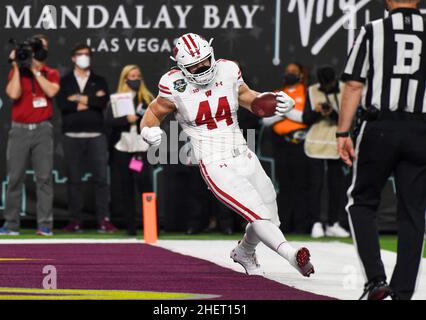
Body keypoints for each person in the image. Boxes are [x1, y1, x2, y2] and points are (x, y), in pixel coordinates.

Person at [140, 33, 314, 277]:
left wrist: (275, 102)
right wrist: (147, 130)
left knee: (269, 214)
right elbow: (154, 111)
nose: (201, 68)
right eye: (194, 65)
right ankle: (292, 255)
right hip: (213, 160)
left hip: (242, 152)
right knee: (256, 211)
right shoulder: (173, 84)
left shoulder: (228, 70)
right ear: (181, 67)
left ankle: (244, 251)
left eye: (204, 61)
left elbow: (250, 99)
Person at [338, 0, 426, 300]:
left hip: (380, 126)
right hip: (421, 129)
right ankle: (402, 293)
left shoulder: (373, 29)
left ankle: (376, 281)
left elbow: (353, 85)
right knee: (413, 212)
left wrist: (342, 132)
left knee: (361, 202)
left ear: (388, 1)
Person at [0, 34, 59, 236]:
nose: (40, 49)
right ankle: (11, 225)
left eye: (43, 46)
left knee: (44, 178)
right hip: (19, 130)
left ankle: (45, 225)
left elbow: (52, 92)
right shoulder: (18, 72)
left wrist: (35, 71)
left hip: (42, 129)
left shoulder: (51, 72)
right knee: (14, 178)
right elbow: (13, 94)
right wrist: (16, 66)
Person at [57, 43, 117, 233]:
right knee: (74, 180)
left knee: (101, 180)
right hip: (71, 135)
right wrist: (90, 100)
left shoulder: (100, 80)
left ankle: (103, 220)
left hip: (96, 135)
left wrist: (77, 98)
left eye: (87, 54)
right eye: (80, 54)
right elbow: (63, 105)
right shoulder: (64, 81)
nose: (84, 57)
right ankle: (75, 221)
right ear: (73, 58)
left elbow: (101, 102)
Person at [262, 62, 311, 234]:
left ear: (301, 74)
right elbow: (266, 120)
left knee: (301, 185)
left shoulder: (307, 93)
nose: (290, 74)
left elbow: (307, 117)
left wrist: (283, 111)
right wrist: (284, 112)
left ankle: (302, 225)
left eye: (294, 71)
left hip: (301, 144)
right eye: (288, 71)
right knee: (284, 185)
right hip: (280, 145)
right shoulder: (276, 94)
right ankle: (285, 225)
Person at [105, 65, 154, 236]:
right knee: (126, 187)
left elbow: (156, 120)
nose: (135, 79)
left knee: (144, 183)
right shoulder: (118, 99)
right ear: (125, 78)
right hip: (122, 148)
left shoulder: (147, 98)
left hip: (140, 148)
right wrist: (125, 119)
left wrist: (141, 119)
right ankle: (130, 228)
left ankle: (150, 226)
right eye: (131, 76)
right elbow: (109, 121)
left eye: (137, 75)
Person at [303, 66, 350, 239]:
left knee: (336, 186)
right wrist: (316, 112)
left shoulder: (345, 89)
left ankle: (332, 223)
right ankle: (316, 222)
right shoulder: (312, 91)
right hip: (315, 145)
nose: (326, 88)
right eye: (323, 85)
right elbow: (305, 119)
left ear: (334, 81)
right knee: (315, 185)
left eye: (328, 85)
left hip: (336, 144)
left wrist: (331, 114)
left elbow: (347, 119)